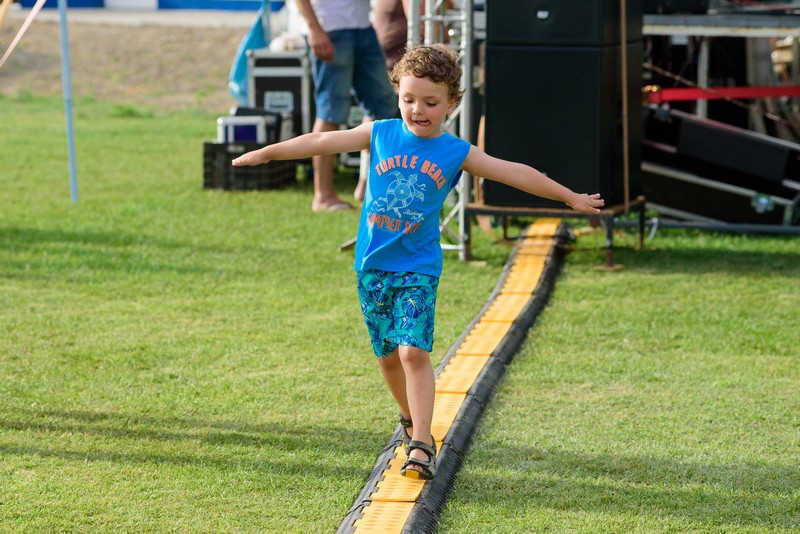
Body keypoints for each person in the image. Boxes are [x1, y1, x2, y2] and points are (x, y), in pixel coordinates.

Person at [233, 43, 604, 479]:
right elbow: (320, 141)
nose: (417, 110)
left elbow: (516, 171)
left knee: (412, 351)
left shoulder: (456, 151)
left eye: (430, 102)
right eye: (408, 99)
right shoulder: (380, 133)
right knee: (388, 356)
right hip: (372, 267)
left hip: (417, 269)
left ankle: (423, 443)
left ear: (452, 103)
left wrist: (569, 197)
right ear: (397, 95)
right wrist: (267, 152)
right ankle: (410, 418)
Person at [293, 0, 398, 212]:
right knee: (331, 112)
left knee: (382, 110)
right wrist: (314, 28)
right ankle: (323, 196)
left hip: (364, 26)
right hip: (329, 27)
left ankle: (367, 186)